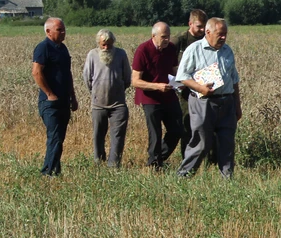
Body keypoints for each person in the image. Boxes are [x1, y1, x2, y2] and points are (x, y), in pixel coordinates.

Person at [177, 17, 242, 179]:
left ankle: (227, 179)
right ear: (208, 32)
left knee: (227, 142)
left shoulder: (227, 50)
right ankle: (183, 176)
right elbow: (182, 76)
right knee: (201, 142)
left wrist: (237, 105)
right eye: (220, 34)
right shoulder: (194, 50)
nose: (223, 38)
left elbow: (234, 80)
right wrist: (200, 88)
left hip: (227, 102)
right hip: (202, 103)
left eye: (225, 34)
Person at [131, 21, 183, 169]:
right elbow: (135, 81)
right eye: (163, 37)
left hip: (169, 96)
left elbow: (174, 71)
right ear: (153, 36)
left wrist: (180, 82)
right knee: (155, 133)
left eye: (168, 36)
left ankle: (159, 158)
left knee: (177, 129)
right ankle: (154, 165)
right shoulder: (143, 50)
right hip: (150, 99)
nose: (167, 40)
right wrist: (156, 86)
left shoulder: (171, 49)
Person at [32, 17, 78, 176]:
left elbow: (68, 73)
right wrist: (50, 94)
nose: (64, 32)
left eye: (64, 29)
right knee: (55, 137)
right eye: (60, 30)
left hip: (64, 100)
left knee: (59, 138)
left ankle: (55, 170)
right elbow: (36, 72)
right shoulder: (43, 48)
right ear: (48, 31)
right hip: (50, 103)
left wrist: (73, 96)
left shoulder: (63, 49)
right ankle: (48, 172)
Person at [82, 28, 132, 168]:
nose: (106, 47)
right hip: (98, 104)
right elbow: (87, 78)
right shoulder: (92, 55)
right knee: (98, 134)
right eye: (103, 44)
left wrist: (120, 88)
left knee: (118, 136)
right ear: (98, 43)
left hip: (118, 104)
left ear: (113, 43)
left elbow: (127, 77)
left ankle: (114, 164)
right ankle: (99, 162)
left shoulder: (121, 54)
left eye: (109, 44)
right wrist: (95, 92)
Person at [174, 9, 208, 160]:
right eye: (199, 26)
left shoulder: (208, 40)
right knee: (187, 124)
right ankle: (186, 159)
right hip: (184, 91)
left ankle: (208, 159)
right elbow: (169, 63)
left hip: (205, 89)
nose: (202, 30)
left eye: (204, 27)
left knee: (207, 124)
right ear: (190, 24)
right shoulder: (179, 40)